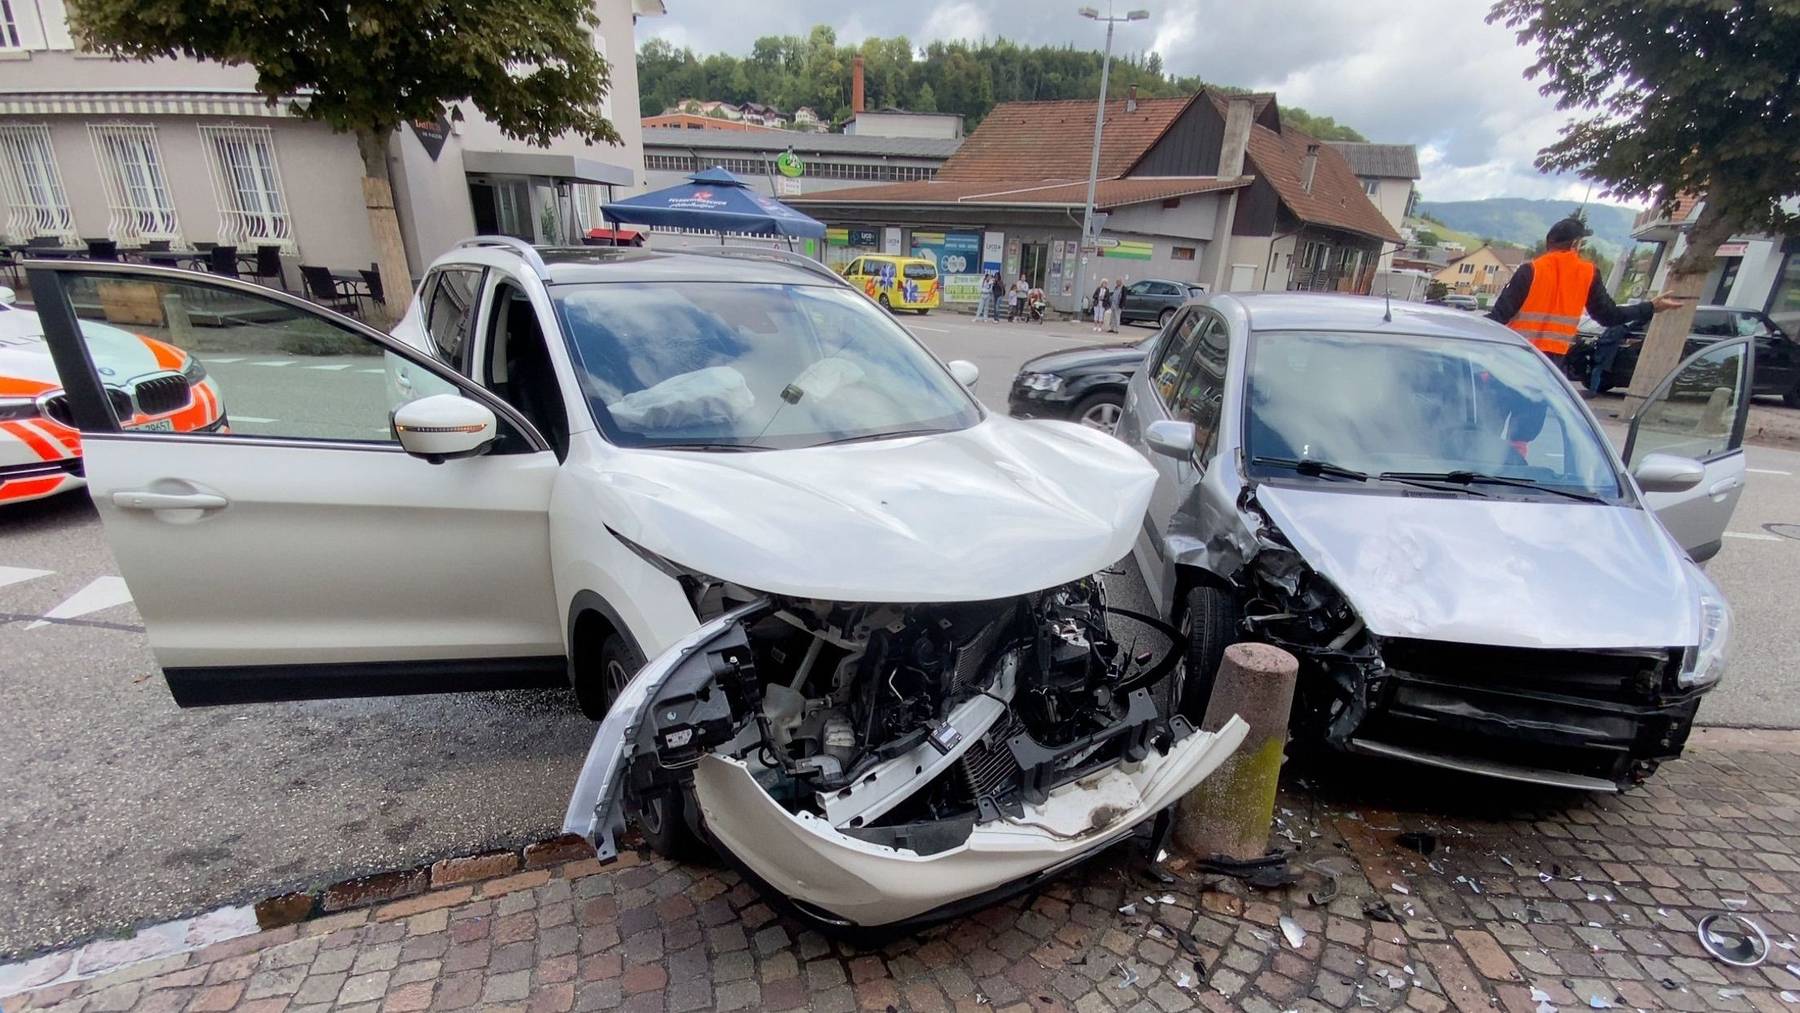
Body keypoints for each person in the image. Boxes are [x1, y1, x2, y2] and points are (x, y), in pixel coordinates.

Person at [1487, 217, 1683, 365]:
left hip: (1514, 355)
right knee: (1533, 415)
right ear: (1575, 244)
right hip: (1549, 365)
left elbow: (1498, 317)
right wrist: (1650, 307)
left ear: (1549, 243)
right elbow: (1609, 316)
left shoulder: (1530, 270)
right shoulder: (1588, 273)